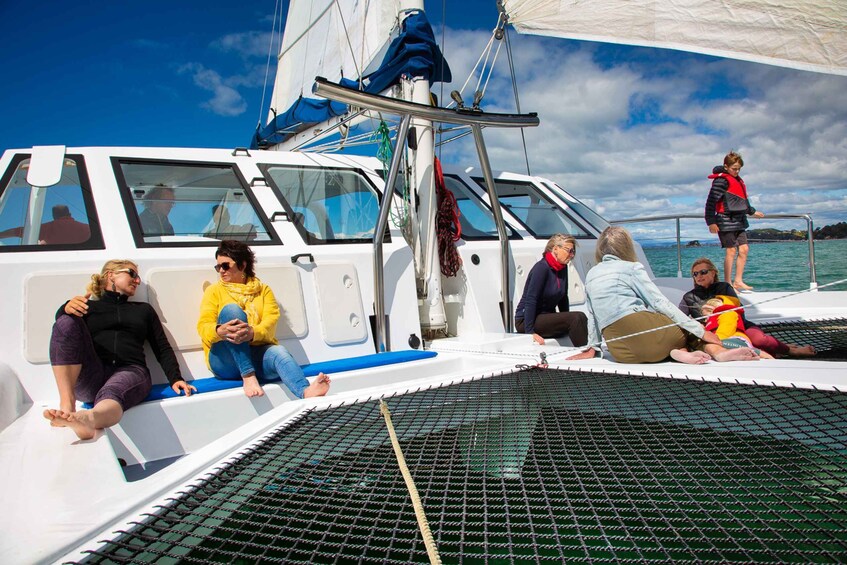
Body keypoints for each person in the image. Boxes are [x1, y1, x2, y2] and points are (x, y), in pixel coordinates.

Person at [42, 260, 196, 440]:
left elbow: (161, 347)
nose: (137, 281)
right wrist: (65, 309)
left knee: (114, 391)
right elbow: (65, 336)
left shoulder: (143, 310)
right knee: (66, 321)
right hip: (93, 373)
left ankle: (88, 419)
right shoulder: (86, 307)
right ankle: (67, 407)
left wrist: (175, 378)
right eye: (132, 274)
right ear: (110, 275)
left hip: (131, 371)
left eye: (138, 277)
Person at [584, 226, 759, 364]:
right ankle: (719, 353)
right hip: (646, 335)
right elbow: (659, 303)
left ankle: (677, 353)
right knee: (685, 325)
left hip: (623, 352)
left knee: (670, 333)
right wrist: (701, 332)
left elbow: (592, 315)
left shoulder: (591, 274)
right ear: (626, 247)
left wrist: (593, 347)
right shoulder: (632, 268)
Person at [197, 239, 331, 398]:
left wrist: (252, 333)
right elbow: (203, 326)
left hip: (255, 354)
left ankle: (306, 392)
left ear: (242, 265)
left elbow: (269, 325)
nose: (221, 270)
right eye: (218, 266)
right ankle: (248, 376)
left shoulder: (264, 291)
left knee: (279, 352)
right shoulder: (214, 291)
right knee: (232, 310)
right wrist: (219, 330)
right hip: (225, 360)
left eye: (225, 265)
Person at [679, 257, 816, 357]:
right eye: (695, 274)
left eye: (703, 272)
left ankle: (790, 350)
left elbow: (738, 311)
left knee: (759, 340)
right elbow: (679, 318)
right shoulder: (689, 297)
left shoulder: (724, 287)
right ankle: (777, 349)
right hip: (712, 331)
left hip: (739, 326)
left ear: (713, 273)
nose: (699, 276)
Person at [514, 234, 594, 359]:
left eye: (573, 252)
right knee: (577, 317)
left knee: (581, 319)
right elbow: (531, 300)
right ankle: (586, 353)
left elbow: (563, 298)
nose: (572, 255)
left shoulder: (562, 268)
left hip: (545, 317)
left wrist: (567, 320)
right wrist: (530, 332)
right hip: (526, 321)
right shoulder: (541, 268)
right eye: (569, 251)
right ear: (556, 249)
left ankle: (591, 349)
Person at [704, 150, 764, 291]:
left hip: (739, 220)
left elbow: (742, 200)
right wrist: (711, 222)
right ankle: (728, 283)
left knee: (744, 249)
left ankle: (738, 281)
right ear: (726, 166)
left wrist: (753, 212)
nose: (736, 171)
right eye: (734, 169)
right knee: (730, 251)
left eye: (738, 169)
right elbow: (711, 202)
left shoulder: (737, 180)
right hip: (725, 220)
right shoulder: (721, 181)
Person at [700, 296, 774, 359]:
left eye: (707, 314)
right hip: (722, 341)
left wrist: (714, 340)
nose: (705, 319)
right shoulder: (710, 321)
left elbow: (726, 329)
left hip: (734, 339)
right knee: (709, 347)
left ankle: (761, 354)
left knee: (710, 346)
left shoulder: (728, 314)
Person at [0, 204, 90, 245]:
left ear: (54, 216)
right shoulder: (87, 228)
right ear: (69, 214)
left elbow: (16, 231)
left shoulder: (47, 228)